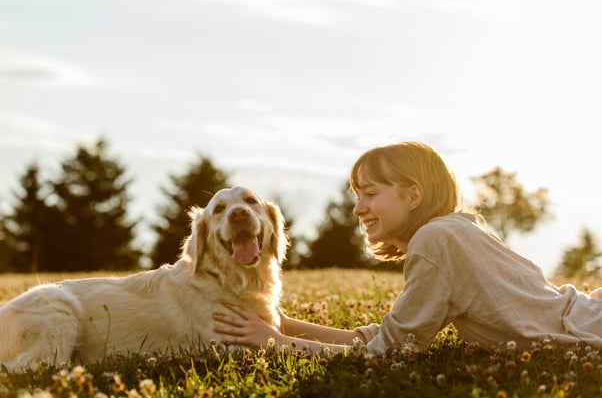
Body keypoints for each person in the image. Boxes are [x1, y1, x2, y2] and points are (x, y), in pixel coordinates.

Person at [213, 140, 602, 355]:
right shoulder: (449, 234)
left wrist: (279, 344)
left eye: (370, 194)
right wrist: (285, 324)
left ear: (413, 195)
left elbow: (388, 354)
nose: (357, 207)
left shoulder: (436, 240)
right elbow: (389, 336)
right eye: (357, 195)